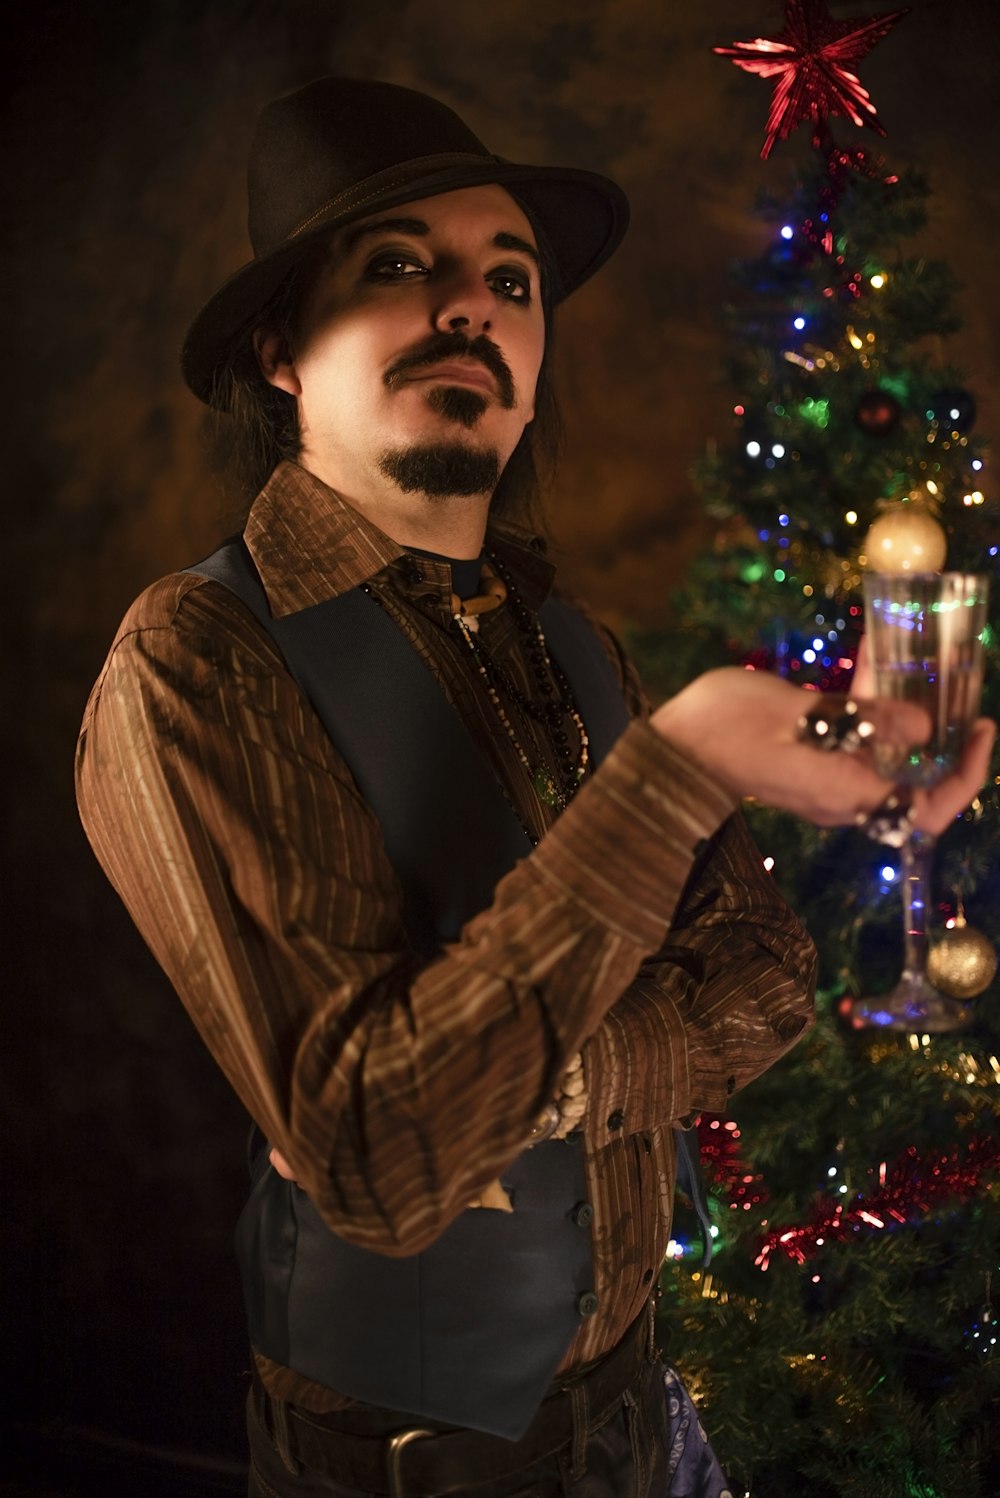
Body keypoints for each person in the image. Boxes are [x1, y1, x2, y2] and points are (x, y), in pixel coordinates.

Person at [74, 77, 994, 1498]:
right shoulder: (193, 660)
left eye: (511, 278)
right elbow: (381, 1148)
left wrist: (542, 1086)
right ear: (277, 347)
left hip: (647, 1433)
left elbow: (766, 974)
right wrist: (674, 774)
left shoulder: (576, 641)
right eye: (400, 265)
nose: (474, 306)